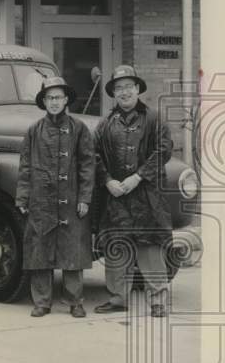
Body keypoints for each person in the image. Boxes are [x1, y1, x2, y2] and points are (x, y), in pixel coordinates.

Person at [93, 65, 173, 317]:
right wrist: (107, 181)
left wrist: (138, 177)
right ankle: (118, 297)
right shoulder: (105, 124)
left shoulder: (154, 118)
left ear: (137, 89)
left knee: (150, 245)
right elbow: (94, 156)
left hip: (145, 195)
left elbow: (164, 150)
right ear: (113, 93)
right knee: (117, 244)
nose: (124, 92)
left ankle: (158, 300)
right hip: (116, 195)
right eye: (119, 88)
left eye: (129, 87)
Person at [16, 77, 95, 318]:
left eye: (58, 97)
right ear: (44, 101)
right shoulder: (34, 131)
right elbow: (25, 167)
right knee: (40, 249)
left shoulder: (79, 129)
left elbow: (87, 165)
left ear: (66, 99)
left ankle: (75, 301)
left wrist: (84, 197)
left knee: (73, 251)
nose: (54, 102)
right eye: (49, 98)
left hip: (71, 199)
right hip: (42, 199)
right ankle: (42, 301)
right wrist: (23, 197)